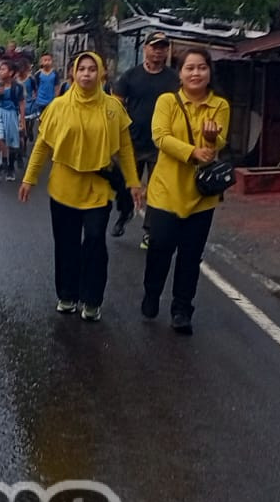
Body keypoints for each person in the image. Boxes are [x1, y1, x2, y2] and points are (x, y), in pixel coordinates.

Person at [19, 52, 142, 320]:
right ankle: (67, 295)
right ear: (73, 73)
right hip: (63, 187)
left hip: (98, 187)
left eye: (92, 69)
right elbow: (42, 145)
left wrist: (133, 183)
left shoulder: (113, 109)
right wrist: (29, 178)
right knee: (66, 243)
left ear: (101, 74)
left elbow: (125, 149)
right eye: (81, 69)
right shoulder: (59, 106)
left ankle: (92, 299)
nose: (86, 74)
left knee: (96, 241)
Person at [142, 47, 231, 335]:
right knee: (160, 247)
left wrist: (210, 139)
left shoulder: (220, 105)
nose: (195, 73)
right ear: (179, 73)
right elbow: (160, 136)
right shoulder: (167, 101)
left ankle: (182, 309)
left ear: (209, 72)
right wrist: (193, 151)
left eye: (201, 68)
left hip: (201, 196)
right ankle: (152, 292)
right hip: (166, 190)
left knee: (191, 256)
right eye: (189, 68)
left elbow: (218, 143)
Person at [112, 31, 180, 246]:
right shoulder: (130, 76)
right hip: (132, 141)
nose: (158, 50)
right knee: (126, 185)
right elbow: (116, 105)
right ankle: (124, 214)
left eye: (163, 47)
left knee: (157, 189)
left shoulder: (173, 79)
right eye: (155, 46)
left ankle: (150, 230)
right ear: (145, 49)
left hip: (161, 143)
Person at [0, 62, 24, 182]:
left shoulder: (17, 87)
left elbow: (21, 104)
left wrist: (22, 121)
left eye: (3, 69)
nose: (0, 72)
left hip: (12, 115)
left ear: (10, 73)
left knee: (12, 143)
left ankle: (10, 168)